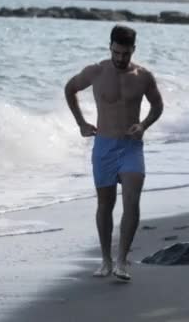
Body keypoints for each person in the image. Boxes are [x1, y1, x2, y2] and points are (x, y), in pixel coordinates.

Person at [64, 25, 164, 281]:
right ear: (110, 46)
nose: (120, 58)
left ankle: (121, 261)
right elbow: (70, 89)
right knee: (105, 204)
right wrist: (81, 124)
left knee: (132, 201)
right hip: (104, 147)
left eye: (126, 54)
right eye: (116, 52)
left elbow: (157, 105)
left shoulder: (143, 76)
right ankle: (106, 261)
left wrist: (143, 125)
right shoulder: (96, 72)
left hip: (131, 146)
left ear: (133, 50)